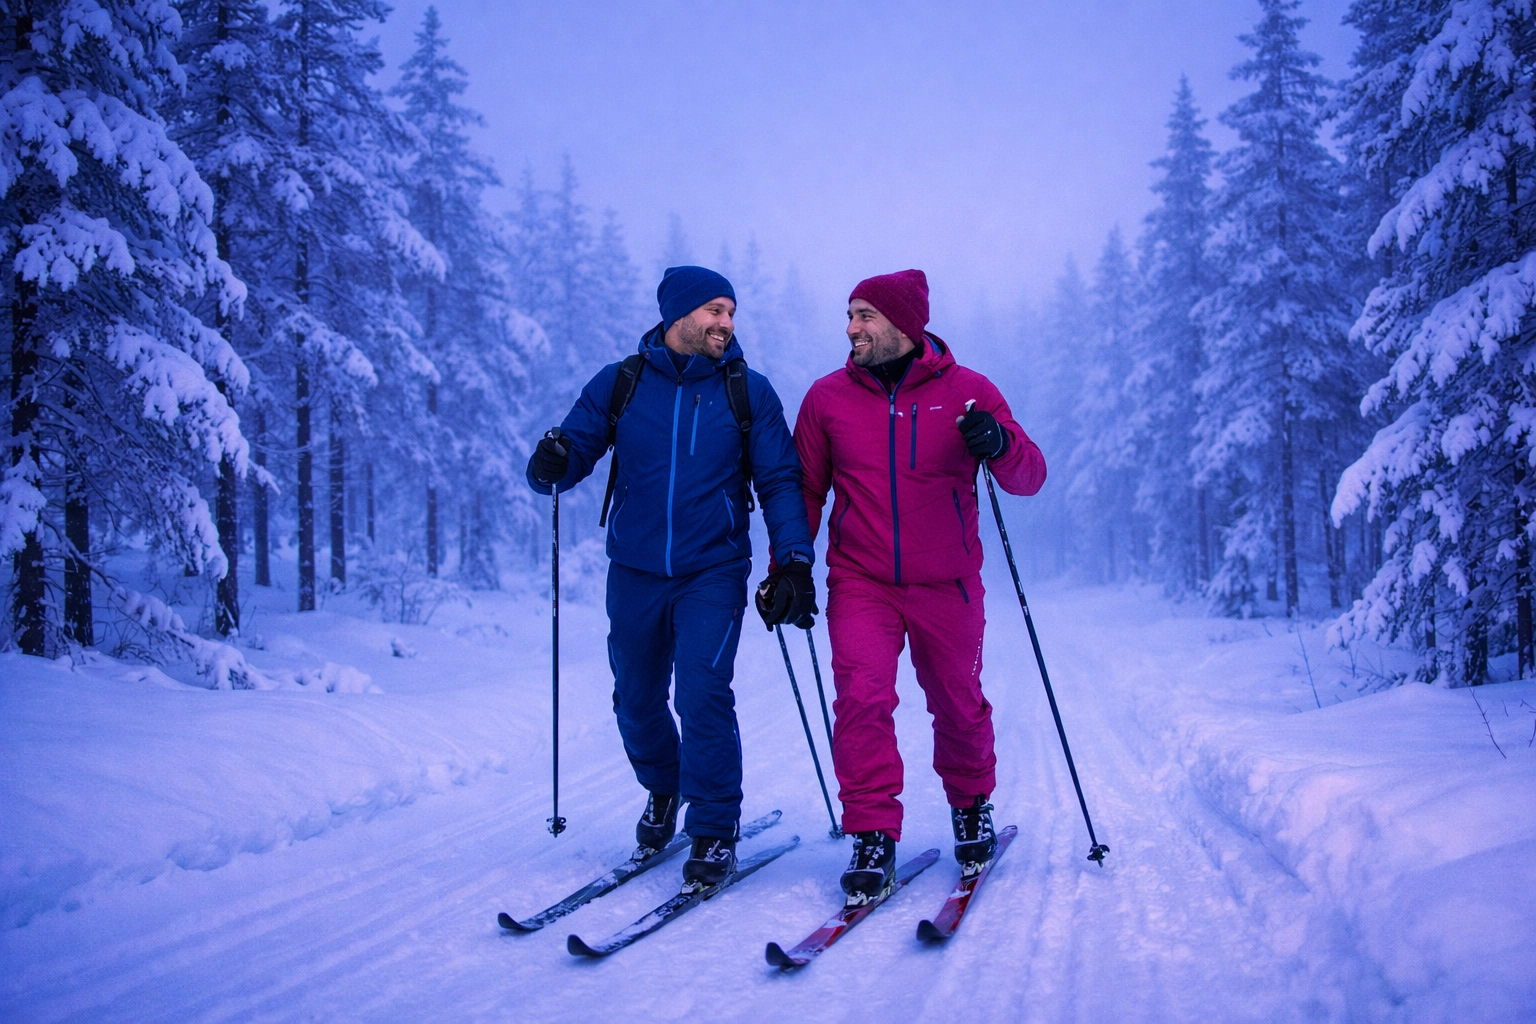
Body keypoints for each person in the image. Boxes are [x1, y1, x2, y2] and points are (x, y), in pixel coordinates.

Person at [526, 266, 817, 892]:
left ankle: (714, 827)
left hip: (713, 569)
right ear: (678, 314)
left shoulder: (749, 392)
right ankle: (664, 788)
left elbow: (779, 482)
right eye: (715, 310)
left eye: (731, 313)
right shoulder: (622, 383)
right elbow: (571, 453)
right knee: (634, 698)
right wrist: (551, 460)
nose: (726, 324)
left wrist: (792, 561)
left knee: (702, 693)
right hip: (634, 570)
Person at [791, 269, 1046, 904]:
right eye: (849, 315)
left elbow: (1030, 476)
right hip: (862, 581)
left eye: (865, 316)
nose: (851, 329)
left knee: (958, 702)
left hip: (947, 584)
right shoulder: (827, 399)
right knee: (862, 699)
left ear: (904, 324)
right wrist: (787, 567)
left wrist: (1001, 442)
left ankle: (971, 807)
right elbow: (803, 493)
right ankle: (873, 833)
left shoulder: (969, 392)